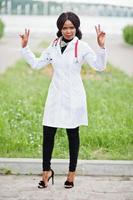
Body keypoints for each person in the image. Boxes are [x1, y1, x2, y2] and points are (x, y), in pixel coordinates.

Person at [19, 11, 107, 189]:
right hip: (55, 96)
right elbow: (37, 64)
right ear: (59, 29)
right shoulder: (53, 45)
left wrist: (102, 48)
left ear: (76, 28)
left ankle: (71, 174)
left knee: (72, 135)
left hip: (73, 97)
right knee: (48, 133)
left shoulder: (81, 46)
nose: (68, 31)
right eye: (65, 28)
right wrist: (25, 48)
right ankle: (46, 173)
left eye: (72, 27)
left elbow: (99, 66)